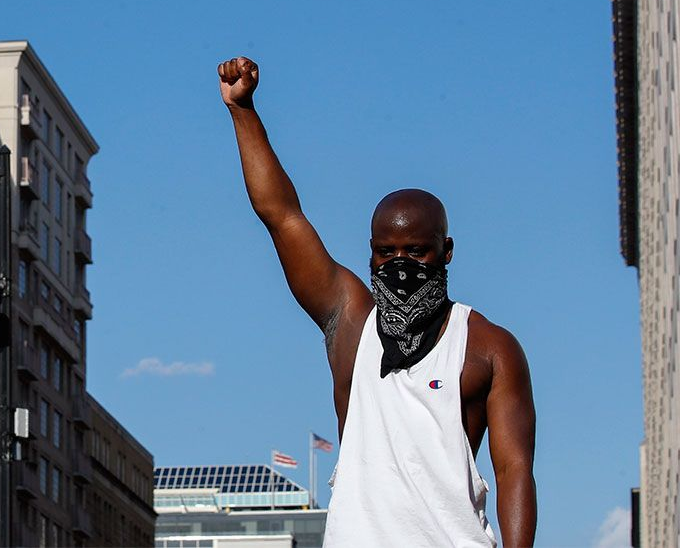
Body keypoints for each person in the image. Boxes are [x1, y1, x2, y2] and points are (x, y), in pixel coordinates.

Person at [218, 56, 536, 547]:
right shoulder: (352, 323)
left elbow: (515, 469)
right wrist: (244, 111)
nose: (400, 263)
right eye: (386, 252)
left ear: (445, 252)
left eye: (416, 251)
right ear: (370, 253)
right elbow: (282, 216)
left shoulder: (489, 347)